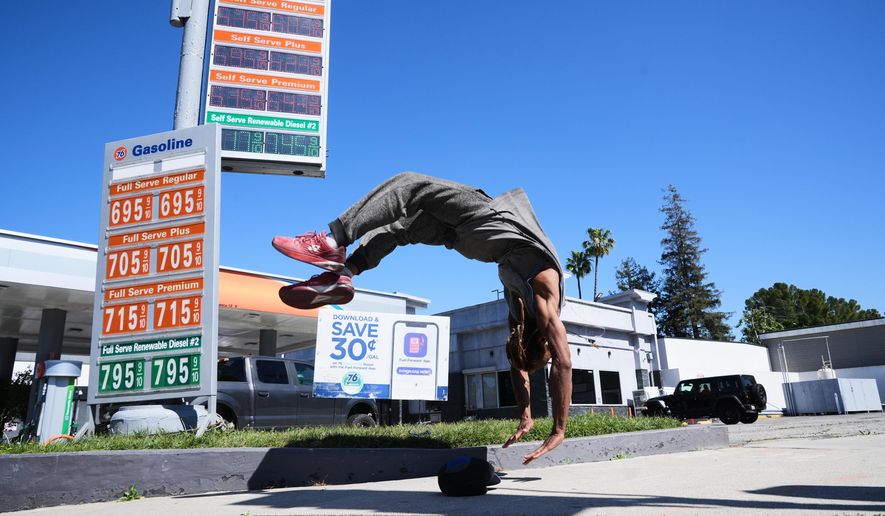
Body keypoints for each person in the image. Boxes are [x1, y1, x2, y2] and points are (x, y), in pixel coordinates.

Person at [272, 172, 572, 464]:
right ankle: (344, 276)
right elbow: (525, 367)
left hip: (487, 224)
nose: (551, 355)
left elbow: (559, 363)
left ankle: (332, 242)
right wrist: (534, 419)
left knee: (414, 186)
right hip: (476, 242)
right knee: (399, 227)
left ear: (543, 341)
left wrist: (550, 425)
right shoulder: (524, 316)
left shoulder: (539, 301)